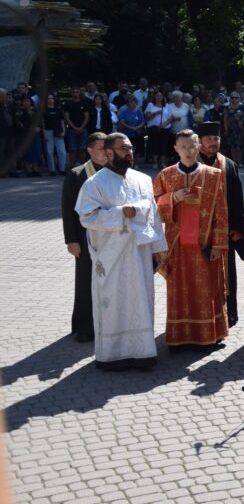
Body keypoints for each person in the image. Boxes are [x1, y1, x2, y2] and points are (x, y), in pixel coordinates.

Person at [74, 133, 167, 369]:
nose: (129, 152)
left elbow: (154, 214)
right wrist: (120, 214)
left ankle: (143, 352)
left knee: (141, 300)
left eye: (131, 148)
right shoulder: (94, 183)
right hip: (110, 255)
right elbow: (87, 216)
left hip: (139, 254)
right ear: (108, 152)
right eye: (123, 148)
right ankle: (111, 356)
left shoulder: (144, 179)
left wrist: (159, 248)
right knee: (113, 303)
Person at [153, 130, 229, 348]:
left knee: (207, 291)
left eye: (192, 146)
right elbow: (152, 208)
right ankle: (179, 338)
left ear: (199, 147)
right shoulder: (166, 175)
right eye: (183, 147)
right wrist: (172, 198)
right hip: (176, 246)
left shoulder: (214, 175)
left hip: (204, 245)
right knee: (178, 292)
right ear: (176, 148)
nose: (188, 151)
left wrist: (218, 244)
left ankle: (208, 336)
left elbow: (221, 212)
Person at [196, 122, 244, 327]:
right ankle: (201, 316)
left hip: (224, 232)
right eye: (209, 139)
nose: (213, 143)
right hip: (197, 233)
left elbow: (237, 202)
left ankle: (229, 315)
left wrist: (237, 231)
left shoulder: (228, 164)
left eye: (216, 139)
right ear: (200, 141)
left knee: (227, 275)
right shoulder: (190, 163)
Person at [62, 132, 107, 342]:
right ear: (89, 150)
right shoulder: (77, 174)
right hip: (84, 237)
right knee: (85, 281)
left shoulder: (115, 171)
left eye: (108, 148)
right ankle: (84, 327)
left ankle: (109, 323)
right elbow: (68, 210)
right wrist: (71, 240)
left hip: (111, 237)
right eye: (100, 148)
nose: (105, 152)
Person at [63, 86, 91, 165]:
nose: (76, 93)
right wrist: (75, 128)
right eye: (74, 92)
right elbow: (67, 118)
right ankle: (72, 167)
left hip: (83, 129)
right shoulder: (67, 104)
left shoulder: (84, 103)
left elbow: (87, 117)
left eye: (77, 92)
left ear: (80, 93)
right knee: (73, 149)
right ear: (71, 93)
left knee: (82, 149)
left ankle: (83, 167)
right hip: (71, 129)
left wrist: (81, 127)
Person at [42, 94, 67, 176]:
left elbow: (62, 121)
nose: (50, 100)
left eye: (51, 98)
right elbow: (43, 123)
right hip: (48, 131)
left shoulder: (58, 110)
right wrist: (44, 133)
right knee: (49, 152)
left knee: (62, 152)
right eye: (48, 98)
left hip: (58, 132)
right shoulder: (44, 110)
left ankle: (62, 169)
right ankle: (52, 170)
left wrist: (63, 131)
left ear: (54, 100)